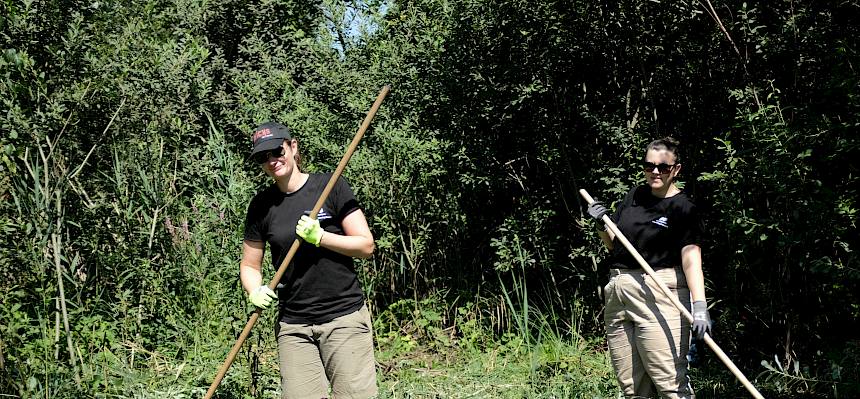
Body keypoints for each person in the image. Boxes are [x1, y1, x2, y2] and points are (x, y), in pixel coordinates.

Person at [240, 121, 378, 399]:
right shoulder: (261, 206)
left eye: (276, 151)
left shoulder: (330, 187)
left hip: (343, 318)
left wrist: (321, 237)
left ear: (292, 147)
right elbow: (249, 266)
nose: (272, 161)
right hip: (294, 326)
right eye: (263, 158)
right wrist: (254, 289)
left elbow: (366, 246)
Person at [586, 137, 711, 399]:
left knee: (670, 385)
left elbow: (691, 258)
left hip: (660, 293)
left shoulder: (683, 207)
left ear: (676, 169)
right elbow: (614, 245)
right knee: (633, 388)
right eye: (649, 165)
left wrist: (699, 307)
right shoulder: (636, 195)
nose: (655, 171)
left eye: (663, 167)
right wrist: (600, 223)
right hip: (619, 291)